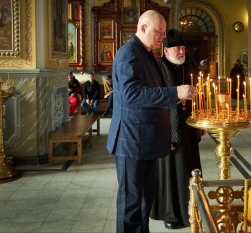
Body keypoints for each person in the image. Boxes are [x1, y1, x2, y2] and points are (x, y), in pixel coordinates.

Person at [106, 10, 197, 233]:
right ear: (143, 27)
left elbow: (151, 92)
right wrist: (174, 93)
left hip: (146, 141)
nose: (162, 38)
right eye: (159, 32)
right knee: (131, 205)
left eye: (164, 34)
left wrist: (177, 99)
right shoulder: (129, 53)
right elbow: (132, 95)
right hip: (132, 141)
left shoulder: (146, 53)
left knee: (145, 204)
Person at [150, 29, 203, 229]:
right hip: (168, 127)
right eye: (176, 48)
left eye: (182, 47)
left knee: (191, 167)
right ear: (166, 50)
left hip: (189, 125)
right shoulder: (159, 68)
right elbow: (154, 96)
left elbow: (199, 94)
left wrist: (201, 121)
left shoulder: (190, 66)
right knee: (172, 170)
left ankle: (193, 209)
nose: (181, 52)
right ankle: (172, 214)